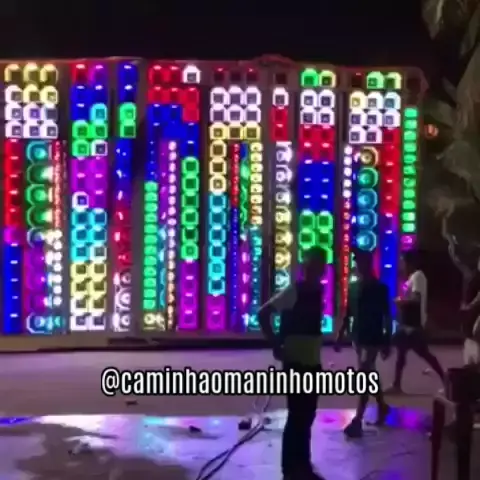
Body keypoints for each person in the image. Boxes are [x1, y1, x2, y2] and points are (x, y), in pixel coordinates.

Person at [258, 247, 326, 480]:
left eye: (318, 266)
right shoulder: (294, 291)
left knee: (307, 415)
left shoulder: (317, 291)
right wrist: (275, 344)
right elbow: (263, 313)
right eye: (311, 265)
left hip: (312, 361)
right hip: (296, 362)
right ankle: (290, 469)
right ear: (305, 267)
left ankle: (302, 465)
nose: (314, 270)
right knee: (298, 415)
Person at [335, 250, 392, 438]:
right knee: (369, 372)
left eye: (361, 262)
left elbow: (386, 316)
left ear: (368, 264)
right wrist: (341, 335)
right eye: (357, 262)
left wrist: (387, 340)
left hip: (373, 337)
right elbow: (348, 313)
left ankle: (358, 419)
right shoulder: (354, 288)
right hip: (358, 337)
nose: (358, 266)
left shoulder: (379, 288)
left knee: (364, 375)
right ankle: (382, 405)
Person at [385, 249, 445, 393]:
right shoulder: (412, 277)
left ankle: (447, 381)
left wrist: (401, 302)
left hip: (413, 324)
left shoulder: (418, 276)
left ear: (410, 262)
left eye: (403, 261)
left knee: (418, 353)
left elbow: (416, 299)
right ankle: (396, 385)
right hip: (408, 323)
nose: (401, 265)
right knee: (407, 353)